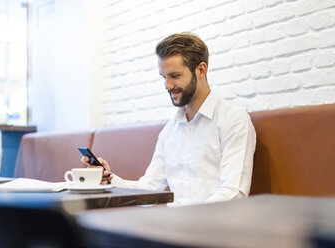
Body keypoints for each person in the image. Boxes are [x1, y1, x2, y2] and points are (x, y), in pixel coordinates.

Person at [82, 32, 256, 206]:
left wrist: (187, 220)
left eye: (175, 76)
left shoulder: (234, 121)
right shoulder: (169, 131)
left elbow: (234, 192)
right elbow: (149, 187)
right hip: (174, 226)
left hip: (211, 228)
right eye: (164, 77)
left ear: (201, 70)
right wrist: (109, 179)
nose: (167, 86)